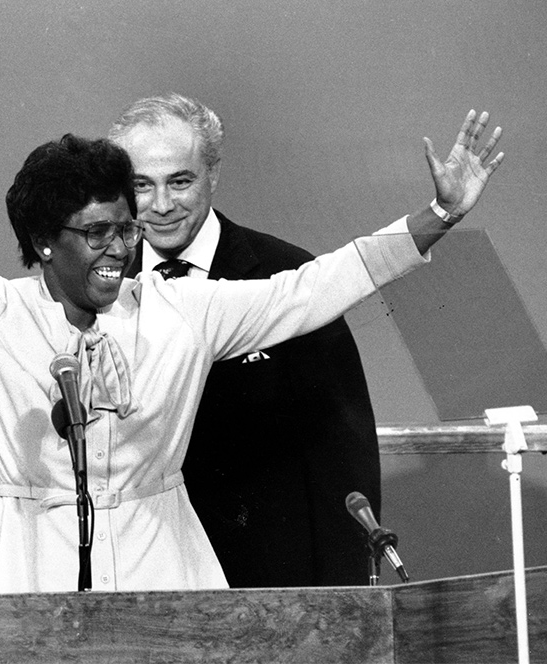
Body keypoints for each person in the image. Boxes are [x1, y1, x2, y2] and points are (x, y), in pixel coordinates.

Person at [0, 114, 502, 594]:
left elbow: (312, 288)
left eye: (125, 229)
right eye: (96, 233)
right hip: (28, 557)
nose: (119, 250)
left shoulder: (185, 312)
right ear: (40, 242)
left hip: (163, 552)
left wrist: (434, 217)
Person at [108, 93, 388, 586]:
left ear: (212, 174)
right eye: (141, 186)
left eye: (180, 181)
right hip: (146, 566)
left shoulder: (286, 274)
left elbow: (342, 451)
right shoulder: (102, 286)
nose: (162, 205)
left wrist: (343, 590)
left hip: (272, 569)